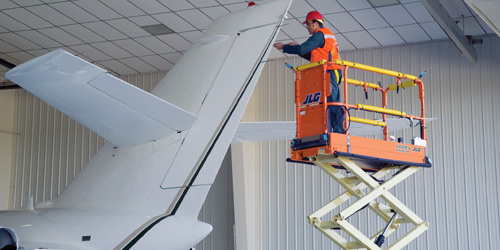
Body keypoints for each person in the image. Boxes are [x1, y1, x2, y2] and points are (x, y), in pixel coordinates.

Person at [273, 11, 344, 133]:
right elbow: (311, 55)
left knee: (332, 104)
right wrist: (297, 48)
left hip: (330, 72)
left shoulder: (320, 35)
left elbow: (302, 48)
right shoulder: (325, 35)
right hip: (328, 72)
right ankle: (333, 132)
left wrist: (284, 47)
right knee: (328, 104)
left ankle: (339, 133)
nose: (307, 27)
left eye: (308, 24)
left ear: (316, 23)